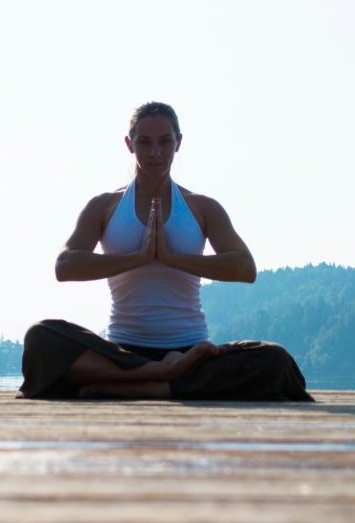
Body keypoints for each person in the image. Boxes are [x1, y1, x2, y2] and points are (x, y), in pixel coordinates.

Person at [18, 103, 311, 402]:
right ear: (129, 145)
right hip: (121, 353)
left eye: (165, 141)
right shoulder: (104, 206)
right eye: (144, 142)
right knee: (40, 338)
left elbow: (246, 268)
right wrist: (139, 258)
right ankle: (158, 376)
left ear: (178, 142)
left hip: (191, 354)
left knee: (275, 361)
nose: (155, 152)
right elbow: (64, 266)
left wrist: (172, 258)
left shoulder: (202, 207)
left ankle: (138, 384)